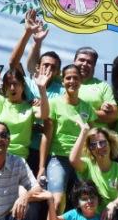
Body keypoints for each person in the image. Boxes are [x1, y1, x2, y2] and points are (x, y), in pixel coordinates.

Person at [9, 10, 65, 166]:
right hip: (23, 148)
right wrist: (28, 34)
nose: (49, 69)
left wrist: (44, 112)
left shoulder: (62, 91)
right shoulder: (27, 84)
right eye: (45, 65)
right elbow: (13, 64)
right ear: (38, 67)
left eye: (53, 67)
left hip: (49, 152)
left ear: (58, 72)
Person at [0, 66, 50, 168]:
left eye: (15, 84)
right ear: (4, 88)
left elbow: (44, 115)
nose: (12, 88)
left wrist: (42, 89)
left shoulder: (29, 107)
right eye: (8, 84)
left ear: (23, 86)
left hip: (18, 159)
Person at [41, 64, 97, 210]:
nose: (72, 81)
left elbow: (93, 136)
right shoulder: (53, 103)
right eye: (68, 78)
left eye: (76, 78)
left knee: (87, 203)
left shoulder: (87, 107)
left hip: (82, 160)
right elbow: (46, 135)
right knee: (57, 202)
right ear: (62, 81)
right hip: (58, 158)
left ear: (81, 81)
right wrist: (41, 167)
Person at [73, 46, 118, 126]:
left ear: (94, 66)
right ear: (74, 61)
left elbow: (113, 116)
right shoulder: (61, 81)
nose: (85, 64)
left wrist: (82, 114)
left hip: (94, 133)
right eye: (81, 60)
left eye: (89, 62)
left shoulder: (103, 86)